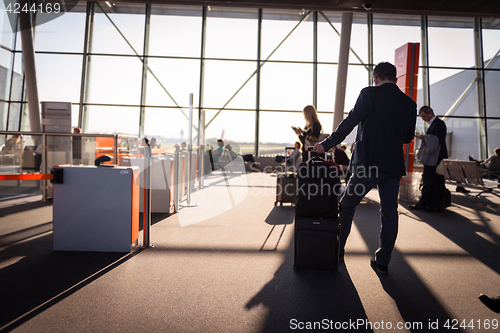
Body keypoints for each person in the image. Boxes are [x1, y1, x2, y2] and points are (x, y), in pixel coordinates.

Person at [313, 62, 417, 274]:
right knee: (390, 212)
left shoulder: (369, 94)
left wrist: (326, 144)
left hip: (368, 164)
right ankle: (382, 261)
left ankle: (338, 249)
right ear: (395, 80)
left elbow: (350, 121)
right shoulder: (409, 103)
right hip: (393, 166)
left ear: (375, 78)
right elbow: (407, 138)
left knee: (347, 205)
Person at [409, 106, 448, 212]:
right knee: (431, 180)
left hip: (433, 157)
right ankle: (435, 203)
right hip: (434, 156)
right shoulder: (436, 124)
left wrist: (424, 137)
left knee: (427, 179)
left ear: (430, 113)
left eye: (424, 116)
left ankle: (423, 203)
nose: (423, 119)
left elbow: (436, 141)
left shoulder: (438, 124)